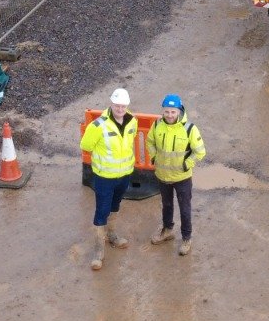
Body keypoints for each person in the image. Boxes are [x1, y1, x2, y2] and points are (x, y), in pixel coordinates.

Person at [79, 88, 138, 271]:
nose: (120, 109)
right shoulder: (98, 126)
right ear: (111, 104)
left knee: (115, 206)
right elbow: (86, 145)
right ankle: (98, 250)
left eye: (123, 106)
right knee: (102, 210)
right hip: (104, 177)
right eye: (116, 105)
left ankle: (112, 235)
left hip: (124, 174)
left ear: (127, 105)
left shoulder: (132, 122)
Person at [146, 93, 207, 256]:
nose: (170, 115)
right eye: (167, 111)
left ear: (179, 111)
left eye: (173, 112)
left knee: (185, 208)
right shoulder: (157, 125)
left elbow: (200, 151)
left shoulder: (189, 129)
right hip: (162, 175)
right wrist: (153, 157)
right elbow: (150, 141)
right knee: (166, 205)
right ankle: (167, 230)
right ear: (163, 111)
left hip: (182, 178)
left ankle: (186, 237)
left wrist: (187, 164)